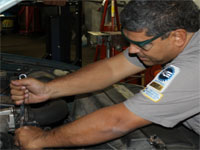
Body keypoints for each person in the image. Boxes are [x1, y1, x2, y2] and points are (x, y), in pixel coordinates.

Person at [10, 0, 200, 149]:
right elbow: (112, 69)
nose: (132, 51)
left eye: (142, 45)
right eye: (129, 42)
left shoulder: (193, 68)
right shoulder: (172, 40)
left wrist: (40, 139)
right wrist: (48, 90)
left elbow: (118, 121)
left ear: (178, 36)